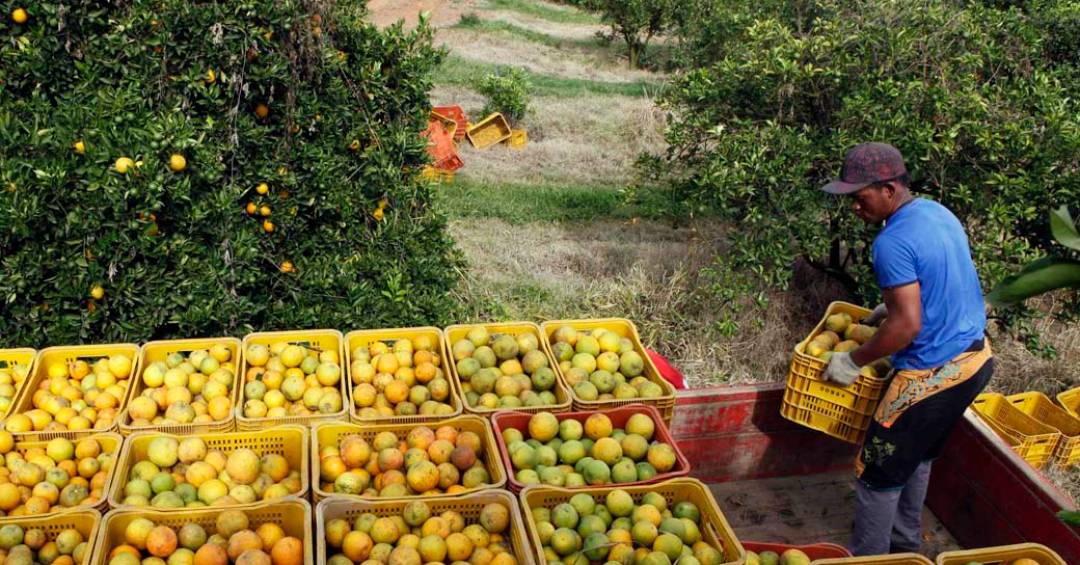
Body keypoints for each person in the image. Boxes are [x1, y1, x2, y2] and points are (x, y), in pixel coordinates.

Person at [820, 142, 993, 556]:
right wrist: (892, 306)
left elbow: (907, 326)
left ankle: (870, 559)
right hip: (975, 361)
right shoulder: (935, 212)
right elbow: (943, 276)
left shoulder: (891, 243)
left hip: (930, 377)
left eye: (860, 199)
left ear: (889, 190)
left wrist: (853, 360)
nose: (855, 209)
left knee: (876, 473)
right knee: (915, 457)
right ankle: (905, 545)